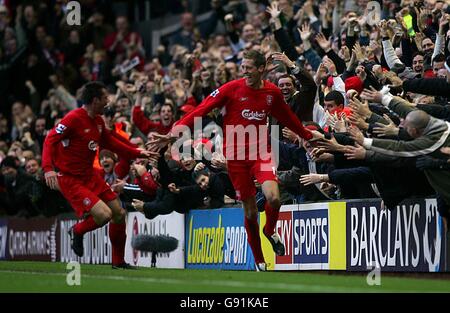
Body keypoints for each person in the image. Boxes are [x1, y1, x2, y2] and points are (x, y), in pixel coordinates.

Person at [150, 50, 322, 271]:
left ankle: (269, 231)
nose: (244, 71)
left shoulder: (272, 93)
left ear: (261, 69)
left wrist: (308, 136)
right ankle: (259, 259)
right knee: (250, 212)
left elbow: (288, 118)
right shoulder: (231, 89)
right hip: (237, 159)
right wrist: (175, 132)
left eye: (249, 67)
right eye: (242, 67)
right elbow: (202, 109)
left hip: (262, 153)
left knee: (274, 198)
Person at [42, 81, 154, 269]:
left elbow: (111, 143)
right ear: (95, 101)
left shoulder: (99, 121)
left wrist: (137, 152)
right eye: (104, 98)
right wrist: (48, 168)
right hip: (70, 178)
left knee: (119, 213)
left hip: (89, 175)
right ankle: (77, 231)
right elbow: (49, 139)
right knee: (104, 215)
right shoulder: (73, 118)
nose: (108, 102)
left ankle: (118, 262)